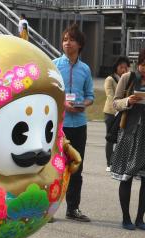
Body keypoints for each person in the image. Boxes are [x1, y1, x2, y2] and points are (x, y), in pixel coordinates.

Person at [53, 23, 94, 222]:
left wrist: (82, 104)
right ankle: (48, 211)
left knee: (76, 167)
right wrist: (63, 103)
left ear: (80, 45)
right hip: (58, 125)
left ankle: (73, 208)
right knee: (54, 168)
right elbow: (49, 92)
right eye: (65, 39)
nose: (67, 43)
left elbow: (90, 96)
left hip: (78, 124)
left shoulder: (85, 69)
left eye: (71, 40)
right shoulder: (54, 65)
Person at [110, 49, 145, 230]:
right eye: (143, 64)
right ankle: (126, 218)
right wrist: (128, 101)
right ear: (138, 63)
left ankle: (140, 219)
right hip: (129, 133)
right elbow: (115, 103)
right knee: (126, 177)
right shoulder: (128, 78)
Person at [103, 56, 130, 171]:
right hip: (111, 113)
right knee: (110, 138)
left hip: (123, 113)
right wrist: (118, 107)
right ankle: (109, 163)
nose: (123, 69)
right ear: (116, 67)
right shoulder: (110, 79)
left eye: (125, 67)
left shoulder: (127, 79)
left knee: (121, 138)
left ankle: (117, 162)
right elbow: (110, 96)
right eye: (121, 67)